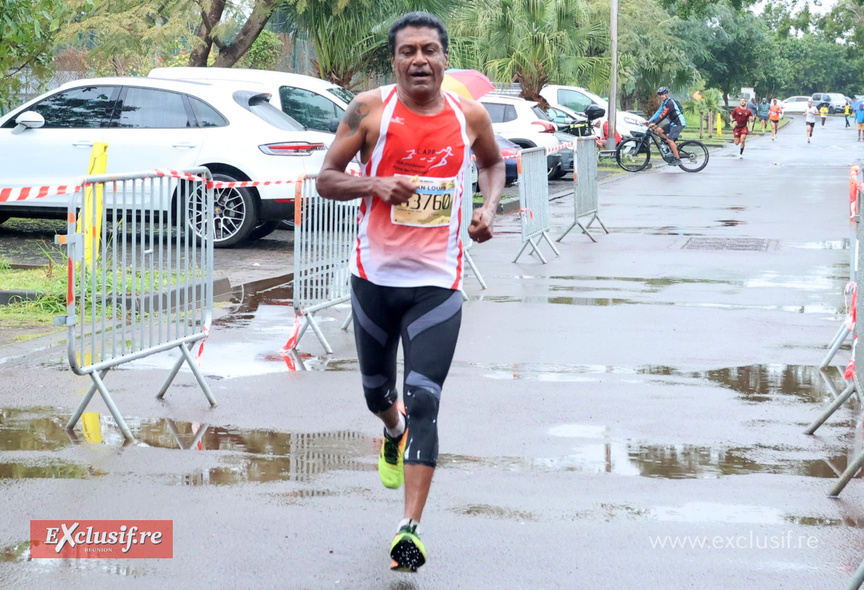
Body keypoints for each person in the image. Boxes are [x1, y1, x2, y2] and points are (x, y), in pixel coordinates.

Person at [315, 11, 504, 573]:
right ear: (393, 60)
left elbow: (493, 165)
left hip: (437, 283)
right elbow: (326, 177)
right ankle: (390, 431)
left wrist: (489, 207)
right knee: (380, 397)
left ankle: (409, 530)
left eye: (429, 50)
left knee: (425, 398)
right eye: (407, 51)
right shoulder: (370, 111)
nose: (418, 59)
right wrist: (372, 183)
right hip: (374, 280)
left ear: (445, 58)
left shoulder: (469, 115)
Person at [647, 86, 686, 165]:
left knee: (670, 140)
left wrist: (655, 123)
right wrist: (650, 120)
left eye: (663, 94)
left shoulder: (670, 103)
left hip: (679, 123)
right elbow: (658, 112)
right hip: (673, 123)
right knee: (659, 130)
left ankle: (677, 159)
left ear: (666, 94)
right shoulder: (664, 103)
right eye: (660, 95)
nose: (661, 96)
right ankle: (672, 145)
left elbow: (663, 115)